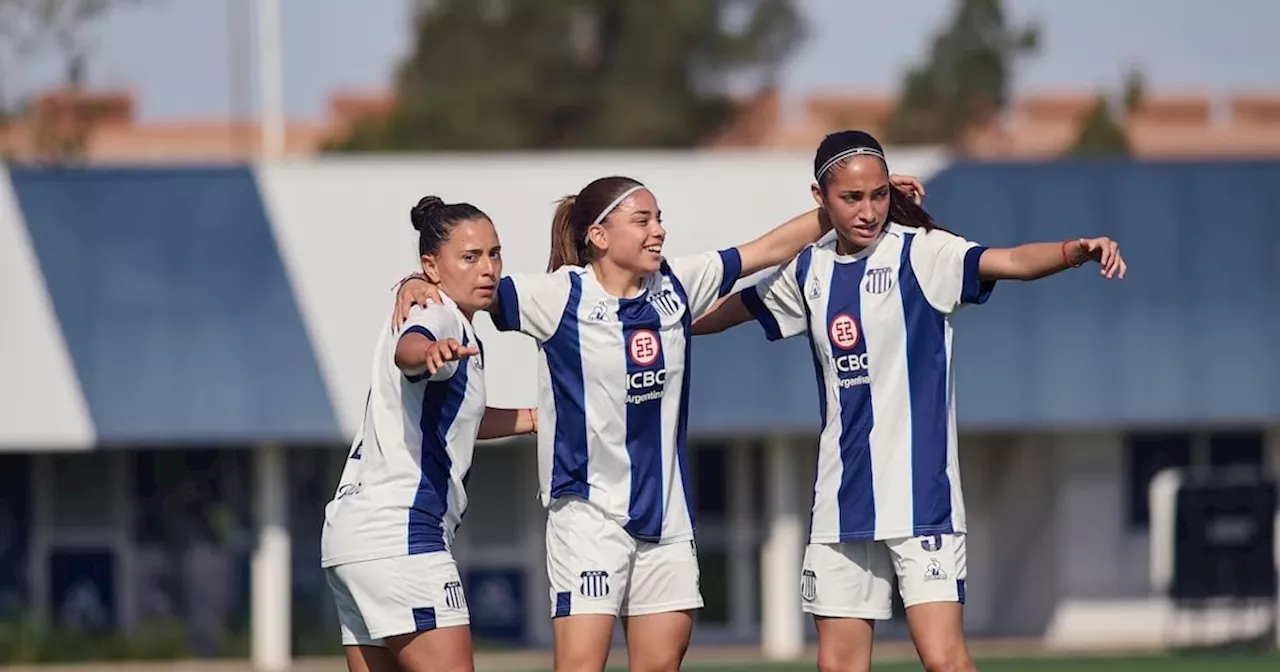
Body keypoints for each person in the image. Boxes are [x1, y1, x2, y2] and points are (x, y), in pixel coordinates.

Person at [391, 171, 926, 672]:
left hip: (668, 523)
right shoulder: (558, 296)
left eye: (659, 218)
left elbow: (765, 249)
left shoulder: (677, 285)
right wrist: (417, 282)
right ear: (599, 235)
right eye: (643, 220)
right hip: (587, 519)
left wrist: (846, 199)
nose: (659, 231)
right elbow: (467, 291)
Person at [691, 130, 1126, 672]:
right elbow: (726, 314)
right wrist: (658, 315)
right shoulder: (809, 270)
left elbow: (1011, 260)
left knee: (943, 659)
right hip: (840, 501)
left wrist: (1074, 252)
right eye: (852, 198)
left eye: (878, 194)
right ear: (819, 198)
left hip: (923, 498)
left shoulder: (923, 252)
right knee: (839, 665)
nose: (869, 210)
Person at [321, 196, 538, 672]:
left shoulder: (452, 321)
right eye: (470, 256)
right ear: (430, 266)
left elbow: (465, 421)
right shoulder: (436, 312)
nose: (488, 268)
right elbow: (409, 349)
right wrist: (428, 351)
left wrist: (539, 418)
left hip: (351, 536)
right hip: (400, 533)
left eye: (494, 253)